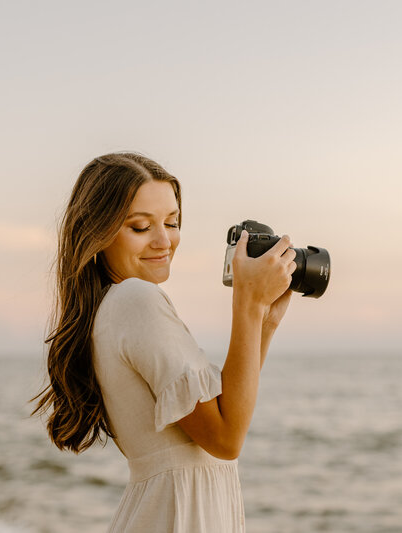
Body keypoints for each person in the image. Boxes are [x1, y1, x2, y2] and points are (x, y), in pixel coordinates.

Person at [31, 152, 295, 532]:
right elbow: (225, 439)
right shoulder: (135, 300)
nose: (163, 241)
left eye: (172, 222)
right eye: (140, 227)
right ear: (98, 233)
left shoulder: (114, 307)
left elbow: (220, 412)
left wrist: (263, 322)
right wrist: (247, 304)